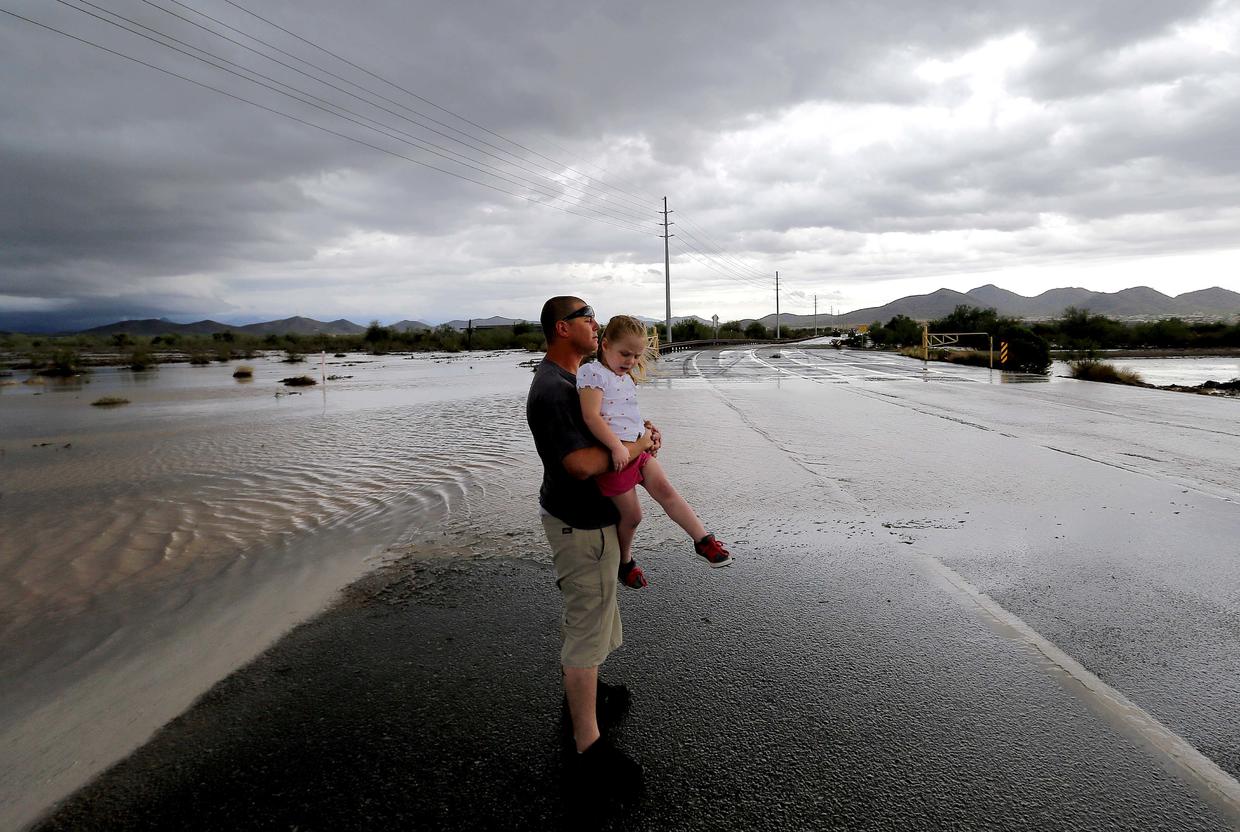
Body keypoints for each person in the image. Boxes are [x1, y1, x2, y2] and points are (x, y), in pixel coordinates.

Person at [526, 297, 654, 788]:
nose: (596, 324)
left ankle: (587, 693)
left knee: (595, 611)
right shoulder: (554, 389)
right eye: (587, 318)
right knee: (587, 623)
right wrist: (636, 449)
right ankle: (588, 743)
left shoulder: (580, 379)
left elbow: (606, 434)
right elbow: (578, 466)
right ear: (563, 328)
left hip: (585, 518)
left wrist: (638, 435)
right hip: (577, 523)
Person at [576, 315, 733, 590]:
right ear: (604, 345)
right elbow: (591, 417)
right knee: (633, 517)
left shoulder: (625, 377)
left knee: (667, 492)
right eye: (624, 353)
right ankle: (624, 563)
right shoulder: (593, 373)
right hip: (617, 457)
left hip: (638, 450)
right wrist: (616, 446)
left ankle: (703, 540)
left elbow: (623, 414)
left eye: (636, 356)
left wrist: (647, 430)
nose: (630, 361)